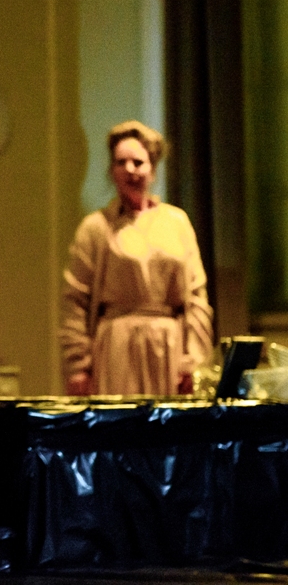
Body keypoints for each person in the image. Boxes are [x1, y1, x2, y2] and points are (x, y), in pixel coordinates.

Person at [59, 120, 214, 395]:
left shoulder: (177, 222)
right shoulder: (96, 227)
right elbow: (75, 300)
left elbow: (196, 297)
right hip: (117, 351)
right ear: (112, 170)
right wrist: (78, 365)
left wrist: (194, 359)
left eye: (138, 162)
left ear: (152, 169)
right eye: (121, 162)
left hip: (169, 349)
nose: (129, 169)